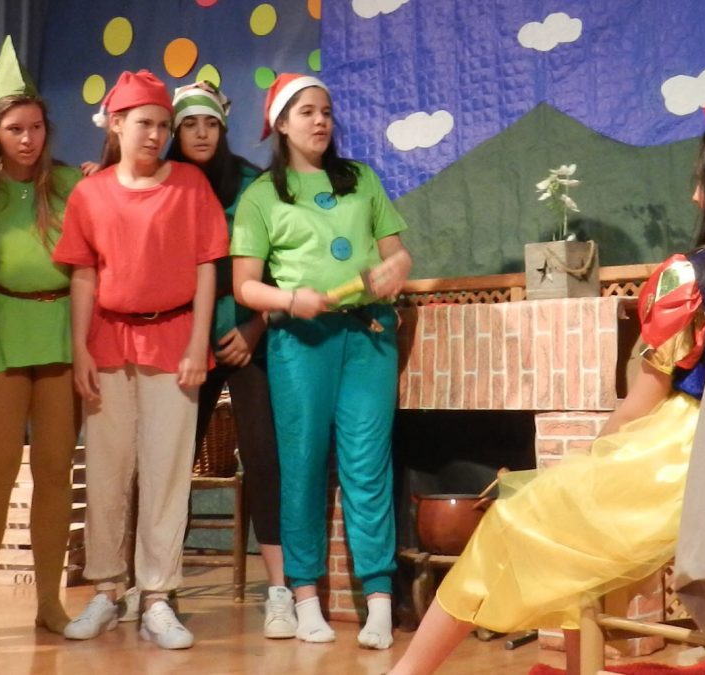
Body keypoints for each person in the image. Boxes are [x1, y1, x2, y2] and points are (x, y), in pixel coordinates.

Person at [388, 110, 705, 674]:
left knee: (518, 514)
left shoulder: (692, 276)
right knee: (565, 512)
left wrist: (585, 461)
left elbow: (640, 404)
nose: (696, 195)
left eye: (703, 179)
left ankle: (407, 671)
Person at [231, 73, 413, 649]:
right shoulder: (262, 196)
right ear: (282, 124)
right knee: (303, 465)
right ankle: (305, 596)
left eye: (326, 111)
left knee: (367, 464)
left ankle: (378, 602)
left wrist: (394, 270)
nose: (320, 121)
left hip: (368, 336)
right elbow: (244, 286)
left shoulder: (361, 179)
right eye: (307, 111)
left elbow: (397, 255)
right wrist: (291, 300)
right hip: (300, 343)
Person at [54, 70, 228, 650]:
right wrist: (79, 346)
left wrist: (198, 342)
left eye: (162, 125)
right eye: (144, 123)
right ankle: (107, 590)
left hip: (172, 338)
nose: (155, 135)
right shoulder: (90, 193)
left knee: (166, 471)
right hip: (107, 341)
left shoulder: (190, 186)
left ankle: (157, 595)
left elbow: (207, 267)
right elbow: (84, 274)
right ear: (117, 124)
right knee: (107, 470)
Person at [0, 36, 81, 642]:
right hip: (0, 333)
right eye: (14, 130)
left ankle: (50, 603)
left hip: (61, 333)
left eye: (34, 127)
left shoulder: (71, 186)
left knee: (56, 471)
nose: (27, 139)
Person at [165, 80, 297, 639]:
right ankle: (157, 589)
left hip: (247, 335)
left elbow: (282, 262)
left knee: (264, 458)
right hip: (183, 342)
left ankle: (281, 589)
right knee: (171, 464)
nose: (201, 134)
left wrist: (256, 325)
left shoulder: (254, 185)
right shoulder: (164, 181)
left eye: (210, 124)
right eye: (189, 124)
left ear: (223, 128)